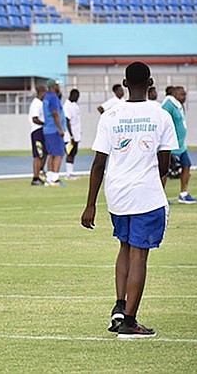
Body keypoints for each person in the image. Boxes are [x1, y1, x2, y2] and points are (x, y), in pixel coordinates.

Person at [81, 62, 177, 338]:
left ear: (124, 83)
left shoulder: (111, 115)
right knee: (139, 255)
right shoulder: (161, 116)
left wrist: (90, 204)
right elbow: (164, 163)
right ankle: (130, 322)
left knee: (124, 247)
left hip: (117, 195)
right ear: (150, 83)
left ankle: (120, 307)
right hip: (146, 194)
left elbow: (98, 163)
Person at [161, 86, 194, 204]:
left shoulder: (179, 105)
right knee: (165, 171)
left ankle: (183, 194)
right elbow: (162, 120)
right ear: (175, 94)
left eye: (185, 94)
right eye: (182, 94)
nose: (184, 97)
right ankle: (161, 197)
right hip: (171, 145)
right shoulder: (168, 105)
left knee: (187, 165)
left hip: (181, 145)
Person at [42, 79, 67, 186]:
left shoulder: (46, 97)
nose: (59, 87)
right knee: (58, 154)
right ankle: (55, 178)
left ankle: (50, 177)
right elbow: (55, 113)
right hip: (54, 129)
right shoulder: (53, 97)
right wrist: (60, 128)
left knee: (52, 154)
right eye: (57, 85)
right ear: (53, 86)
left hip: (48, 129)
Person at [28, 86, 47, 185]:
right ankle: (35, 178)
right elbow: (34, 118)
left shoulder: (40, 103)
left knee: (44, 153)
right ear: (42, 92)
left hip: (41, 131)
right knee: (38, 155)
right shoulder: (36, 103)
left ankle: (40, 171)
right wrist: (45, 123)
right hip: (37, 131)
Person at [63, 88, 82, 180]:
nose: (77, 98)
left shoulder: (74, 105)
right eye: (76, 96)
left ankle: (71, 172)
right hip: (70, 135)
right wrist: (71, 135)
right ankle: (68, 174)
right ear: (72, 95)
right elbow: (67, 121)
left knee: (73, 153)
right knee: (70, 153)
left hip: (76, 134)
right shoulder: (67, 106)